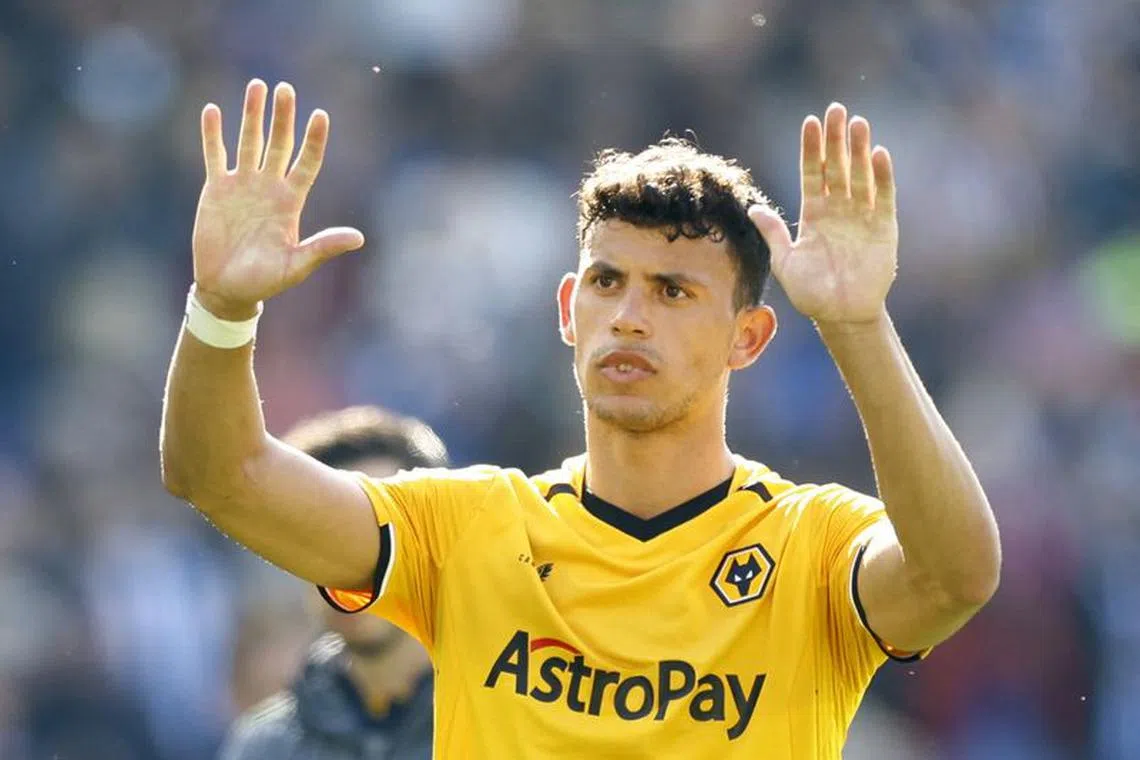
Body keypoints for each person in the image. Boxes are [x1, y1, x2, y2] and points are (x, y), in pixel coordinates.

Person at [161, 79, 1001, 758]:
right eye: (607, 282)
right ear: (569, 308)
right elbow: (220, 475)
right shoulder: (467, 530)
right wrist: (222, 308)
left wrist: (857, 325)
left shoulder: (808, 547)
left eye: (672, 292)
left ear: (749, 337)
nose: (629, 316)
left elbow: (956, 576)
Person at [219, 405, 447, 760]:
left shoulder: (511, 724)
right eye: (324, 536)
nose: (352, 565)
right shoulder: (264, 747)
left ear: (438, 539)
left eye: (378, 534)